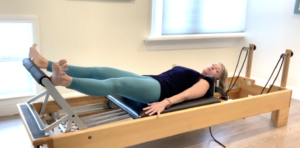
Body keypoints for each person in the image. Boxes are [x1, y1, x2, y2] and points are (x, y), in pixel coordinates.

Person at [29, 44, 228, 117]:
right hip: (151, 80)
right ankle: (44, 62)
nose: (213, 67)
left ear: (217, 77)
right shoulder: (195, 73)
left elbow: (186, 95)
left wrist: (164, 103)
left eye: (217, 69)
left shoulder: (205, 82)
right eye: (213, 64)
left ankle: (64, 81)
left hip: (157, 90)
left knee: (116, 84)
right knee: (102, 70)